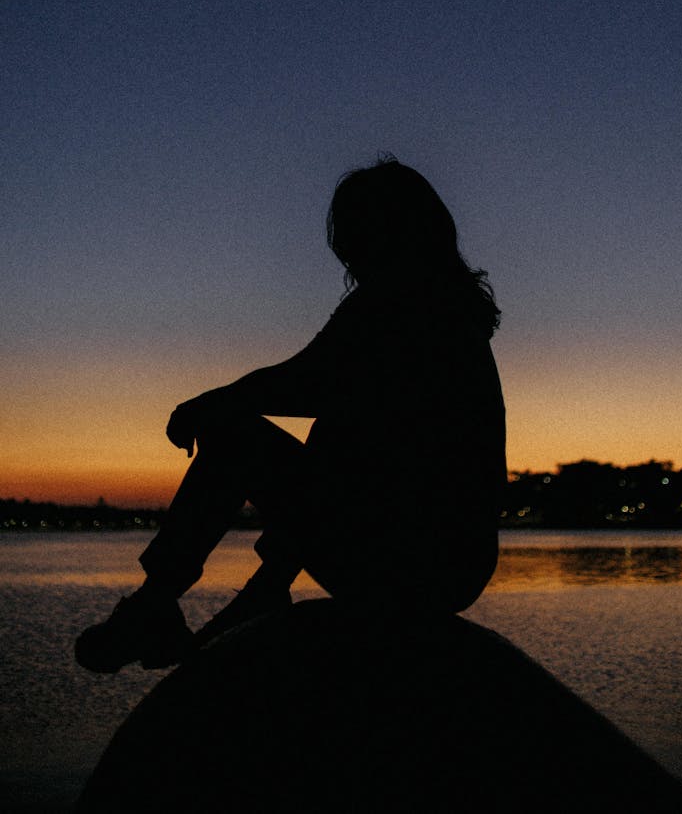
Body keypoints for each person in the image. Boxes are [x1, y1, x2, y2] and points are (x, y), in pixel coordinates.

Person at [75, 158, 507, 673]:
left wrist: (209, 404)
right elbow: (335, 408)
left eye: (359, 231)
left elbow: (308, 380)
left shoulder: (404, 301)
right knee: (349, 422)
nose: (351, 250)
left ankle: (159, 603)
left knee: (235, 436)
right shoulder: (444, 308)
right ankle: (264, 587)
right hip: (447, 565)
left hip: (410, 561)